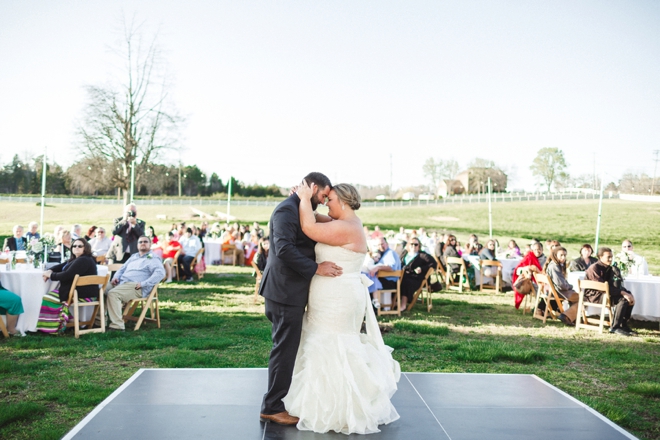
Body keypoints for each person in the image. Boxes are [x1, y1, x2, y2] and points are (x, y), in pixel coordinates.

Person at [280, 179, 400, 434]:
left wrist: (304, 198)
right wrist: (303, 199)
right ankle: (320, 401)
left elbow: (309, 227)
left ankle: (340, 408)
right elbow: (315, 217)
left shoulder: (347, 228)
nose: (325, 204)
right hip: (330, 295)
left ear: (344, 202)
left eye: (330, 200)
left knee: (335, 345)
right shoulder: (346, 222)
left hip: (339, 298)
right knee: (322, 342)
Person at [259, 172, 341, 426]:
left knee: (287, 347)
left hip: (289, 291)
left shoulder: (300, 207)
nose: (325, 199)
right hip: (283, 291)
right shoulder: (286, 210)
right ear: (313, 187)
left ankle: (277, 401)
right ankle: (272, 406)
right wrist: (316, 268)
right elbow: (283, 249)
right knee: (284, 349)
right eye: (324, 195)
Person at [37, 238, 98, 333]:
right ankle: (71, 320)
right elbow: (61, 266)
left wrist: (50, 275)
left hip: (82, 294)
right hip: (78, 291)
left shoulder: (84, 260)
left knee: (48, 298)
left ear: (85, 248)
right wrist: (50, 270)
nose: (76, 247)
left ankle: (52, 328)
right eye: (74, 246)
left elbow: (67, 275)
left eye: (80, 246)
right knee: (51, 297)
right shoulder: (76, 259)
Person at [106, 236, 166, 331]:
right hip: (122, 282)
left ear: (150, 244)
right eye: (140, 242)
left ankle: (117, 326)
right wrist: (116, 277)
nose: (142, 243)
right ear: (137, 245)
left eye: (145, 241)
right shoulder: (134, 256)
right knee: (101, 289)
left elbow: (160, 273)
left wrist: (144, 283)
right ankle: (99, 321)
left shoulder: (153, 258)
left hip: (137, 286)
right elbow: (122, 269)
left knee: (113, 294)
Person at [585, 247, 636, 336]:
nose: (611, 259)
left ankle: (623, 325)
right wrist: (622, 293)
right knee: (622, 299)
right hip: (595, 296)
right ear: (600, 257)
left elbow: (615, 285)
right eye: (608, 257)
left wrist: (627, 293)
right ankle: (615, 327)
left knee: (628, 297)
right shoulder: (594, 268)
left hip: (606, 293)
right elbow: (601, 287)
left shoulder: (610, 268)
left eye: (611, 257)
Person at [543, 246, 580, 326]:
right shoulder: (554, 266)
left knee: (578, 298)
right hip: (560, 291)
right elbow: (561, 285)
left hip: (558, 290)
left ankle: (571, 317)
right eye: (561, 255)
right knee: (582, 299)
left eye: (565, 255)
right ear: (555, 255)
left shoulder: (555, 264)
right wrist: (570, 286)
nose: (563, 257)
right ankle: (566, 316)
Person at [399, 237, 437, 310]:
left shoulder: (422, 255)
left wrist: (422, 269)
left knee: (406, 282)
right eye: (411, 244)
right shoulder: (404, 253)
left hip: (416, 277)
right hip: (403, 274)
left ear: (419, 246)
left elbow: (433, 264)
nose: (413, 246)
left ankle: (403, 304)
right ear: (408, 245)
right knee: (394, 280)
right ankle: (394, 302)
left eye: (416, 244)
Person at [367, 237, 402, 306]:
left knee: (369, 284)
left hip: (390, 282)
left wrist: (378, 267)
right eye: (379, 245)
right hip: (385, 280)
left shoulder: (390, 253)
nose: (381, 246)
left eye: (382, 244)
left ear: (387, 244)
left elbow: (391, 267)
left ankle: (373, 309)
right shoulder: (382, 254)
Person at [511, 242, 544, 310]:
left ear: (542, 249)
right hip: (531, 284)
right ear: (532, 250)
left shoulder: (545, 260)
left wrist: (537, 270)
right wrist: (525, 268)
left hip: (543, 281)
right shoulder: (529, 257)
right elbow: (518, 270)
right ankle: (541, 308)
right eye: (535, 249)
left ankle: (542, 307)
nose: (537, 251)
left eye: (539, 249)